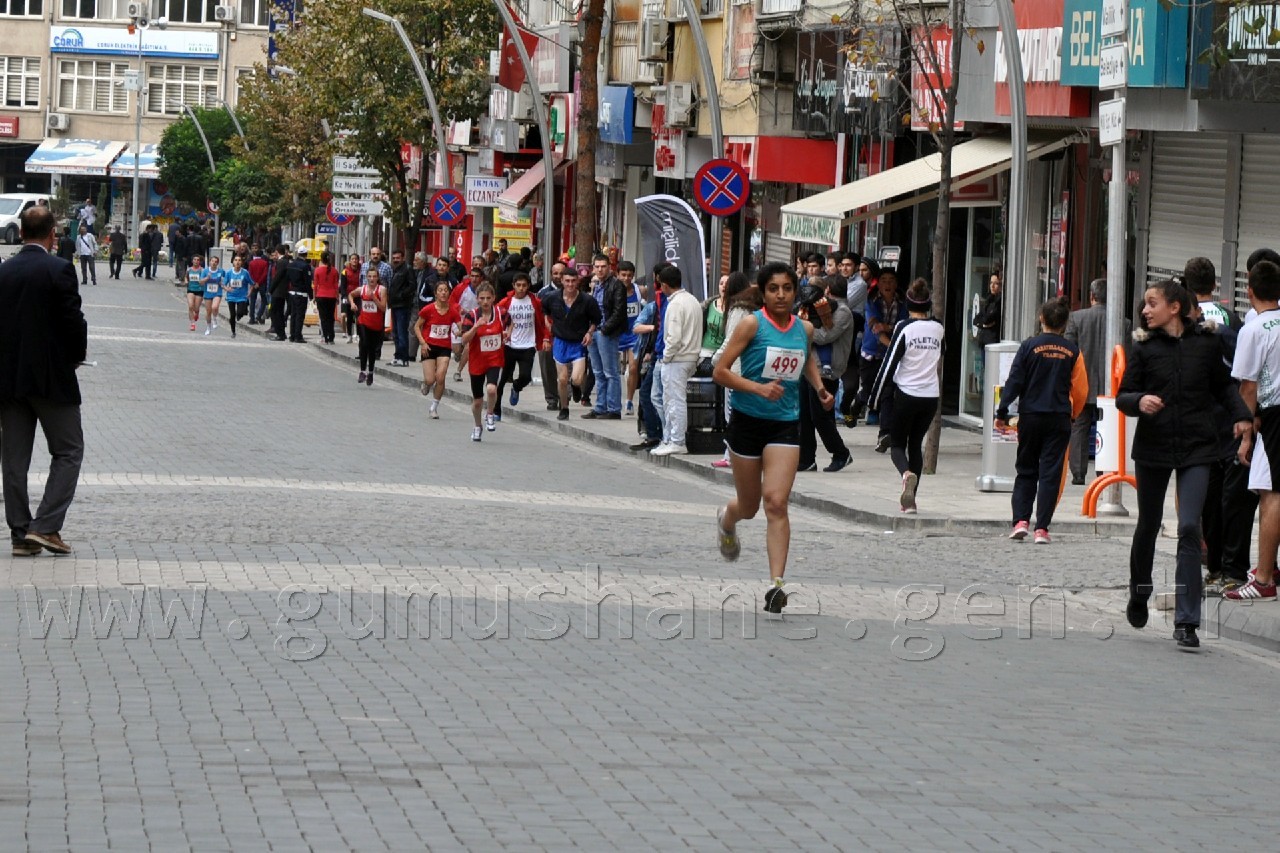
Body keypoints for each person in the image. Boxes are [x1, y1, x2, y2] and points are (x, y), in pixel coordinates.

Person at [1119, 279, 1252, 650]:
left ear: (1174, 307)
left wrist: (1241, 416)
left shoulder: (1206, 343)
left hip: (1198, 447)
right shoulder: (1144, 348)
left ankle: (1187, 620)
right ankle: (1139, 592)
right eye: (1146, 305)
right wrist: (1138, 401)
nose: (1145, 310)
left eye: (1151, 303)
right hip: (1154, 448)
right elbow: (1123, 395)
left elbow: (1224, 387)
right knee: (1148, 523)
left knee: (1191, 526)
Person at [712, 262, 834, 613]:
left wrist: (820, 388)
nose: (781, 295)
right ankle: (727, 519)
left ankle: (776, 585)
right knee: (748, 507)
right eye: (774, 289)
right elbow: (719, 371)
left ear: (796, 292)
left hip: (785, 423)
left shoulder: (805, 328)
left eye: (787, 288)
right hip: (747, 421)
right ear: (763, 293)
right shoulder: (752, 324)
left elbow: (804, 358)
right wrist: (758, 389)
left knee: (776, 502)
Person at [0, 204, 87, 557]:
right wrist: (76, 356)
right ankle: (46, 526)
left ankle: (21, 534)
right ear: (53, 234)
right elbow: (73, 322)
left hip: (8, 381)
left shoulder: (3, 272)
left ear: (20, 233)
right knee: (68, 449)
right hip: (52, 380)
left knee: (14, 458)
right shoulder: (59, 270)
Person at [995, 299, 1088, 544]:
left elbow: (1014, 381)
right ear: (1065, 324)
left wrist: (1001, 411)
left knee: (1026, 469)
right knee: (1050, 473)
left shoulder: (1028, 347)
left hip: (1031, 416)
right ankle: (1042, 529)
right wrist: (1074, 413)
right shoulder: (1073, 351)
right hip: (1058, 417)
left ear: (1041, 319)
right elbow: (1080, 390)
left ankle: (1021, 521)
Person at [1225, 260, 1280, 603]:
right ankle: (1269, 567)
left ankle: (1263, 579)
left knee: (1271, 492)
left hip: (1274, 415)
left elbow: (1247, 385)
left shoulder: (1255, 328)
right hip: (1273, 414)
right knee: (1267, 489)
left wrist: (1245, 431)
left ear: (1249, 291)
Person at [869, 278, 945, 514]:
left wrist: (873, 400)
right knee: (916, 444)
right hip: (930, 396)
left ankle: (906, 474)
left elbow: (888, 366)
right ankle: (910, 502)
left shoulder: (904, 327)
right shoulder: (939, 328)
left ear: (909, 304)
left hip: (906, 394)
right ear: (928, 304)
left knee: (897, 445)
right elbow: (940, 356)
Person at [798, 276, 854, 473]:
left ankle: (841, 453)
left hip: (827, 371)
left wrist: (801, 328)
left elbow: (825, 336)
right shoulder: (809, 308)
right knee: (804, 415)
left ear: (826, 291)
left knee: (821, 416)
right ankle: (806, 459)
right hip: (808, 366)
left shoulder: (842, 311)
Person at [541, 266, 602, 421]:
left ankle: (576, 387)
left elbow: (596, 319)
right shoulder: (552, 297)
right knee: (562, 379)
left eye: (573, 281)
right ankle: (564, 408)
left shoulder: (587, 300)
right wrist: (548, 326)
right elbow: (543, 311)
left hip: (578, 343)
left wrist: (589, 332)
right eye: (567, 281)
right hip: (560, 341)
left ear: (578, 282)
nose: (570, 284)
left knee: (577, 379)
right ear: (562, 281)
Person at [848, 267, 901, 446]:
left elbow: (903, 325)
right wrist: (891, 336)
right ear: (878, 284)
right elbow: (875, 328)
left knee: (887, 393)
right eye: (884, 280)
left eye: (891, 280)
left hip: (889, 356)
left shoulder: (902, 303)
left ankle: (884, 433)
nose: (887, 284)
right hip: (870, 354)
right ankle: (854, 407)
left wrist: (887, 328)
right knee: (869, 393)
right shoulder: (871, 301)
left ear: (896, 284)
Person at [653, 264, 702, 456]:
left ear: (664, 285)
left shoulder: (675, 304)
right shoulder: (692, 300)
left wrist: (666, 357)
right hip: (689, 356)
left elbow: (673, 337)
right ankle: (671, 439)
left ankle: (676, 440)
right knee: (674, 399)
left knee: (673, 401)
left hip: (678, 358)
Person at [1065, 278, 1108, 485]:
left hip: (1083, 383)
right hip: (1109, 387)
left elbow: (1068, 352)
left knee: (1080, 427)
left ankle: (1078, 473)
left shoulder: (1077, 318)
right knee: (1106, 427)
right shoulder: (1122, 322)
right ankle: (1104, 471)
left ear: (1092, 297)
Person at [459, 282, 510, 441]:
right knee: (477, 401)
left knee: (492, 389)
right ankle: (477, 425)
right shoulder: (471, 316)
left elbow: (510, 323)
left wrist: (507, 333)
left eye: (489, 298)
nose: (486, 301)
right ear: (477, 299)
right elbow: (463, 340)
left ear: (494, 298)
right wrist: (475, 327)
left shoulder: (501, 312)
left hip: (494, 359)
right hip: (477, 362)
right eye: (482, 298)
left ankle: (490, 413)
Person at [496, 272, 547, 419]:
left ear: (528, 286)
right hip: (509, 346)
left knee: (525, 377)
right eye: (518, 285)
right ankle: (497, 410)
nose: (521, 288)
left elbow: (543, 322)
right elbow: (496, 319)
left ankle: (516, 387)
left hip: (528, 345)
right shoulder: (506, 302)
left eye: (524, 285)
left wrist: (545, 338)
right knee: (503, 379)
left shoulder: (535, 302)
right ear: (513, 286)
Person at [584, 253, 627, 420]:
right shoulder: (597, 286)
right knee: (598, 372)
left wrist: (604, 330)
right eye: (597, 266)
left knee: (610, 372)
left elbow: (619, 312)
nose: (600, 269)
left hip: (606, 332)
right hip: (593, 331)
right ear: (593, 268)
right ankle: (600, 406)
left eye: (603, 266)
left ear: (609, 267)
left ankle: (614, 408)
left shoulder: (617, 285)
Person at [414, 281, 460, 420]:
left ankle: (434, 407)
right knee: (430, 379)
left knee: (440, 377)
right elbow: (417, 327)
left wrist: (460, 331)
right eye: (440, 290)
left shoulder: (452, 311)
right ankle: (426, 383)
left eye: (446, 290)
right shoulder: (428, 310)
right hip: (429, 346)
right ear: (435, 293)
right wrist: (422, 343)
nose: (443, 293)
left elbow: (460, 326)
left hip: (444, 347)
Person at [349, 266, 387, 385]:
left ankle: (370, 372)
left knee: (372, 348)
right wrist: (352, 304)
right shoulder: (362, 289)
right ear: (366, 277)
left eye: (374, 276)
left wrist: (374, 298)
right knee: (363, 344)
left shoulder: (382, 290)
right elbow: (350, 294)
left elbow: (383, 308)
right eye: (370, 276)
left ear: (378, 277)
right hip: (363, 321)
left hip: (376, 324)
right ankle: (362, 371)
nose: (372, 279)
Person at [538, 260, 566, 410]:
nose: (558, 276)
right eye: (555, 273)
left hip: (566, 336)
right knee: (548, 368)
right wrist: (543, 337)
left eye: (561, 273)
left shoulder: (573, 291)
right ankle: (551, 399)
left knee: (567, 367)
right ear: (551, 275)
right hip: (546, 336)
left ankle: (565, 396)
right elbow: (539, 317)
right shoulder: (543, 293)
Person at [387, 249, 415, 365]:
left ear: (403, 258)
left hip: (403, 305)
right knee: (396, 333)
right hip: (394, 304)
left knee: (402, 332)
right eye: (394, 258)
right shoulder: (393, 269)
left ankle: (404, 358)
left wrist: (401, 295)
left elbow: (412, 286)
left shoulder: (407, 269)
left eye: (398, 258)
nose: (395, 260)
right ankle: (397, 356)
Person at [285, 247, 313, 343]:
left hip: (292, 292)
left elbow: (287, 278)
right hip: (301, 294)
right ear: (306, 254)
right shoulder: (305, 266)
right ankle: (298, 336)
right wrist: (311, 295)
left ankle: (292, 335)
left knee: (293, 314)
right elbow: (307, 282)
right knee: (300, 316)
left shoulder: (291, 265)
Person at [313, 251, 340, 344]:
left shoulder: (317, 270)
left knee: (323, 317)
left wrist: (314, 297)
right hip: (332, 296)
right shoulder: (335, 271)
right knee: (330, 317)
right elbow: (336, 285)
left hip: (321, 295)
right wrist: (337, 297)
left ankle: (325, 337)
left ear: (321, 259)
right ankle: (331, 336)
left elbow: (315, 285)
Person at [222, 253, 250, 339]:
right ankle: (233, 331)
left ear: (242, 262)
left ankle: (241, 314)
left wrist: (249, 292)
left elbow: (251, 283)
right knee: (232, 315)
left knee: (240, 312)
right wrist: (227, 289)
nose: (237, 262)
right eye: (236, 260)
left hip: (241, 296)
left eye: (239, 260)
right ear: (233, 262)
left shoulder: (245, 272)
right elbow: (223, 284)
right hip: (231, 296)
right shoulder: (229, 272)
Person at [339, 253, 362, 343]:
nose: (354, 261)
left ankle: (358, 335)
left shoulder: (361, 270)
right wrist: (345, 296)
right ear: (350, 260)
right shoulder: (345, 271)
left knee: (358, 317)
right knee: (348, 316)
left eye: (356, 259)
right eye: (352, 259)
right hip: (348, 296)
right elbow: (343, 286)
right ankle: (349, 335)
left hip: (359, 296)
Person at [201, 254, 224, 335]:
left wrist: (223, 283)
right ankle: (208, 328)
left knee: (215, 307)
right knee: (208, 311)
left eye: (215, 262)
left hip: (217, 292)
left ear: (217, 263)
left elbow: (226, 279)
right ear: (209, 262)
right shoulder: (205, 271)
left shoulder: (221, 271)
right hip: (208, 293)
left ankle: (214, 318)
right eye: (212, 261)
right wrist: (207, 278)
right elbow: (201, 282)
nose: (214, 263)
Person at [247, 246, 269, 325]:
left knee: (252, 301)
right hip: (262, 284)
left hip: (253, 284)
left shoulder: (251, 263)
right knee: (264, 300)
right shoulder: (265, 263)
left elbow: (250, 274)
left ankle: (251, 318)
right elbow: (265, 274)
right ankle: (259, 315)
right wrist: (259, 282)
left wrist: (254, 283)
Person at [185, 254, 206, 331]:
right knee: (190, 306)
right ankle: (192, 323)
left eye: (198, 260)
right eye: (195, 260)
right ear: (192, 261)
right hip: (190, 289)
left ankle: (196, 313)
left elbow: (204, 279)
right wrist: (186, 281)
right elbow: (186, 277)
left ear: (200, 262)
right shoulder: (189, 269)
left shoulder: (202, 270)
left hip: (199, 290)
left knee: (196, 308)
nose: (196, 261)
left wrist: (202, 281)